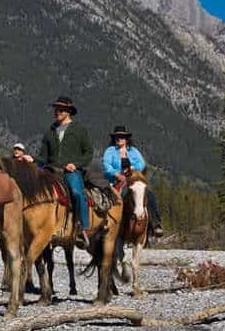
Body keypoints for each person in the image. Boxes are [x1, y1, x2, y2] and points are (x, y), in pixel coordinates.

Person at [23, 96, 94, 248]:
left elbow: (88, 153)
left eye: (61, 109)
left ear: (68, 111)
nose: (57, 112)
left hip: (70, 171)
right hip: (51, 169)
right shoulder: (51, 130)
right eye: (56, 109)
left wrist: (76, 164)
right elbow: (43, 156)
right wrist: (32, 159)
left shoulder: (79, 129)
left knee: (76, 192)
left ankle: (82, 227)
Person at [101, 125, 164, 236]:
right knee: (110, 198)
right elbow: (106, 165)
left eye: (122, 137)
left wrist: (131, 169)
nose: (119, 139)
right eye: (117, 137)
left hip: (132, 180)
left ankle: (155, 224)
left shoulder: (133, 151)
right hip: (115, 181)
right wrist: (116, 173)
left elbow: (141, 164)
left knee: (149, 195)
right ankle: (106, 224)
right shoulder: (110, 151)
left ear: (126, 139)